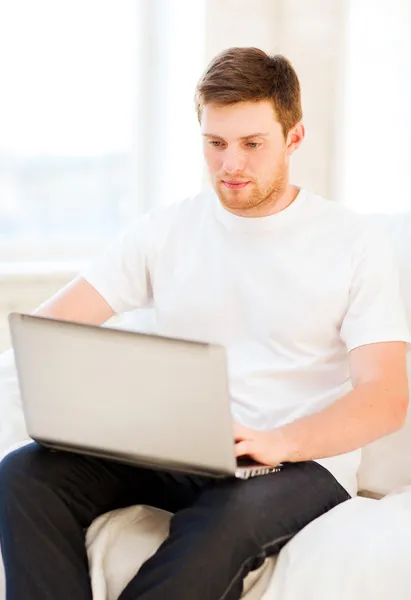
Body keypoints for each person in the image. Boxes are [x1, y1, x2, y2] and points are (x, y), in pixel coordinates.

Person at [0, 47, 410, 600]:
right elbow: (48, 328)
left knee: (218, 531)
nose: (230, 164)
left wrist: (280, 441)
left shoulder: (357, 244)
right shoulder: (166, 230)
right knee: (23, 476)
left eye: (251, 144)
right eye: (214, 144)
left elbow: (386, 395)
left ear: (294, 138)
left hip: (297, 460)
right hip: (177, 446)